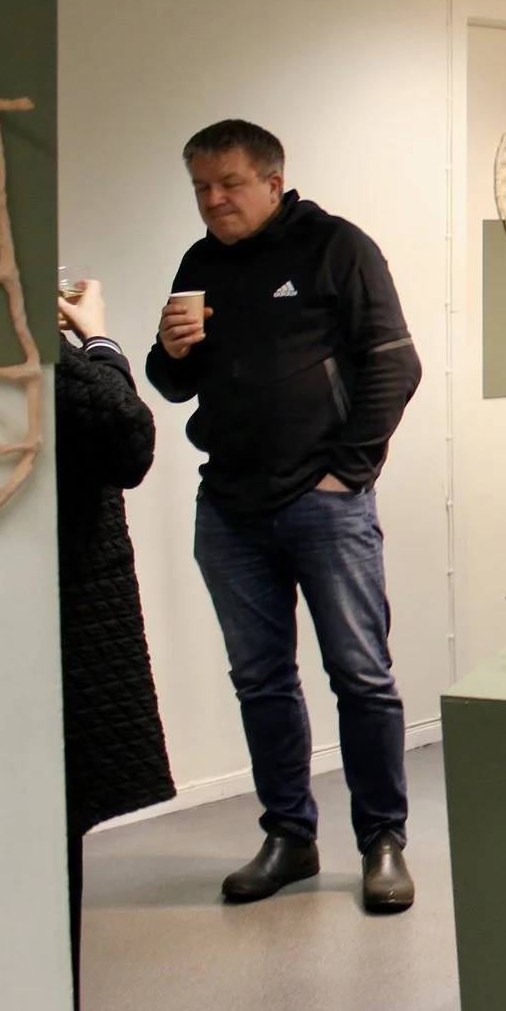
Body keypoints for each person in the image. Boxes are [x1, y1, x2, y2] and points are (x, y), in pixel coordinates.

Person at [146, 119, 424, 914]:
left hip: (323, 505)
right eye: (201, 187)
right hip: (229, 507)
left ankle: (382, 841)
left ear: (273, 181)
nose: (213, 199)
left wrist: (348, 473)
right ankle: (289, 836)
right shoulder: (200, 263)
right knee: (261, 680)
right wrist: (171, 349)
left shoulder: (336, 247)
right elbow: (172, 383)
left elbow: (394, 363)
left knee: (360, 675)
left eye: (229, 183)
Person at [57, 278, 175, 1011]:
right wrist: (99, 337)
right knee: (47, 834)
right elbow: (129, 436)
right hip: (52, 615)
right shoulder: (27, 341)